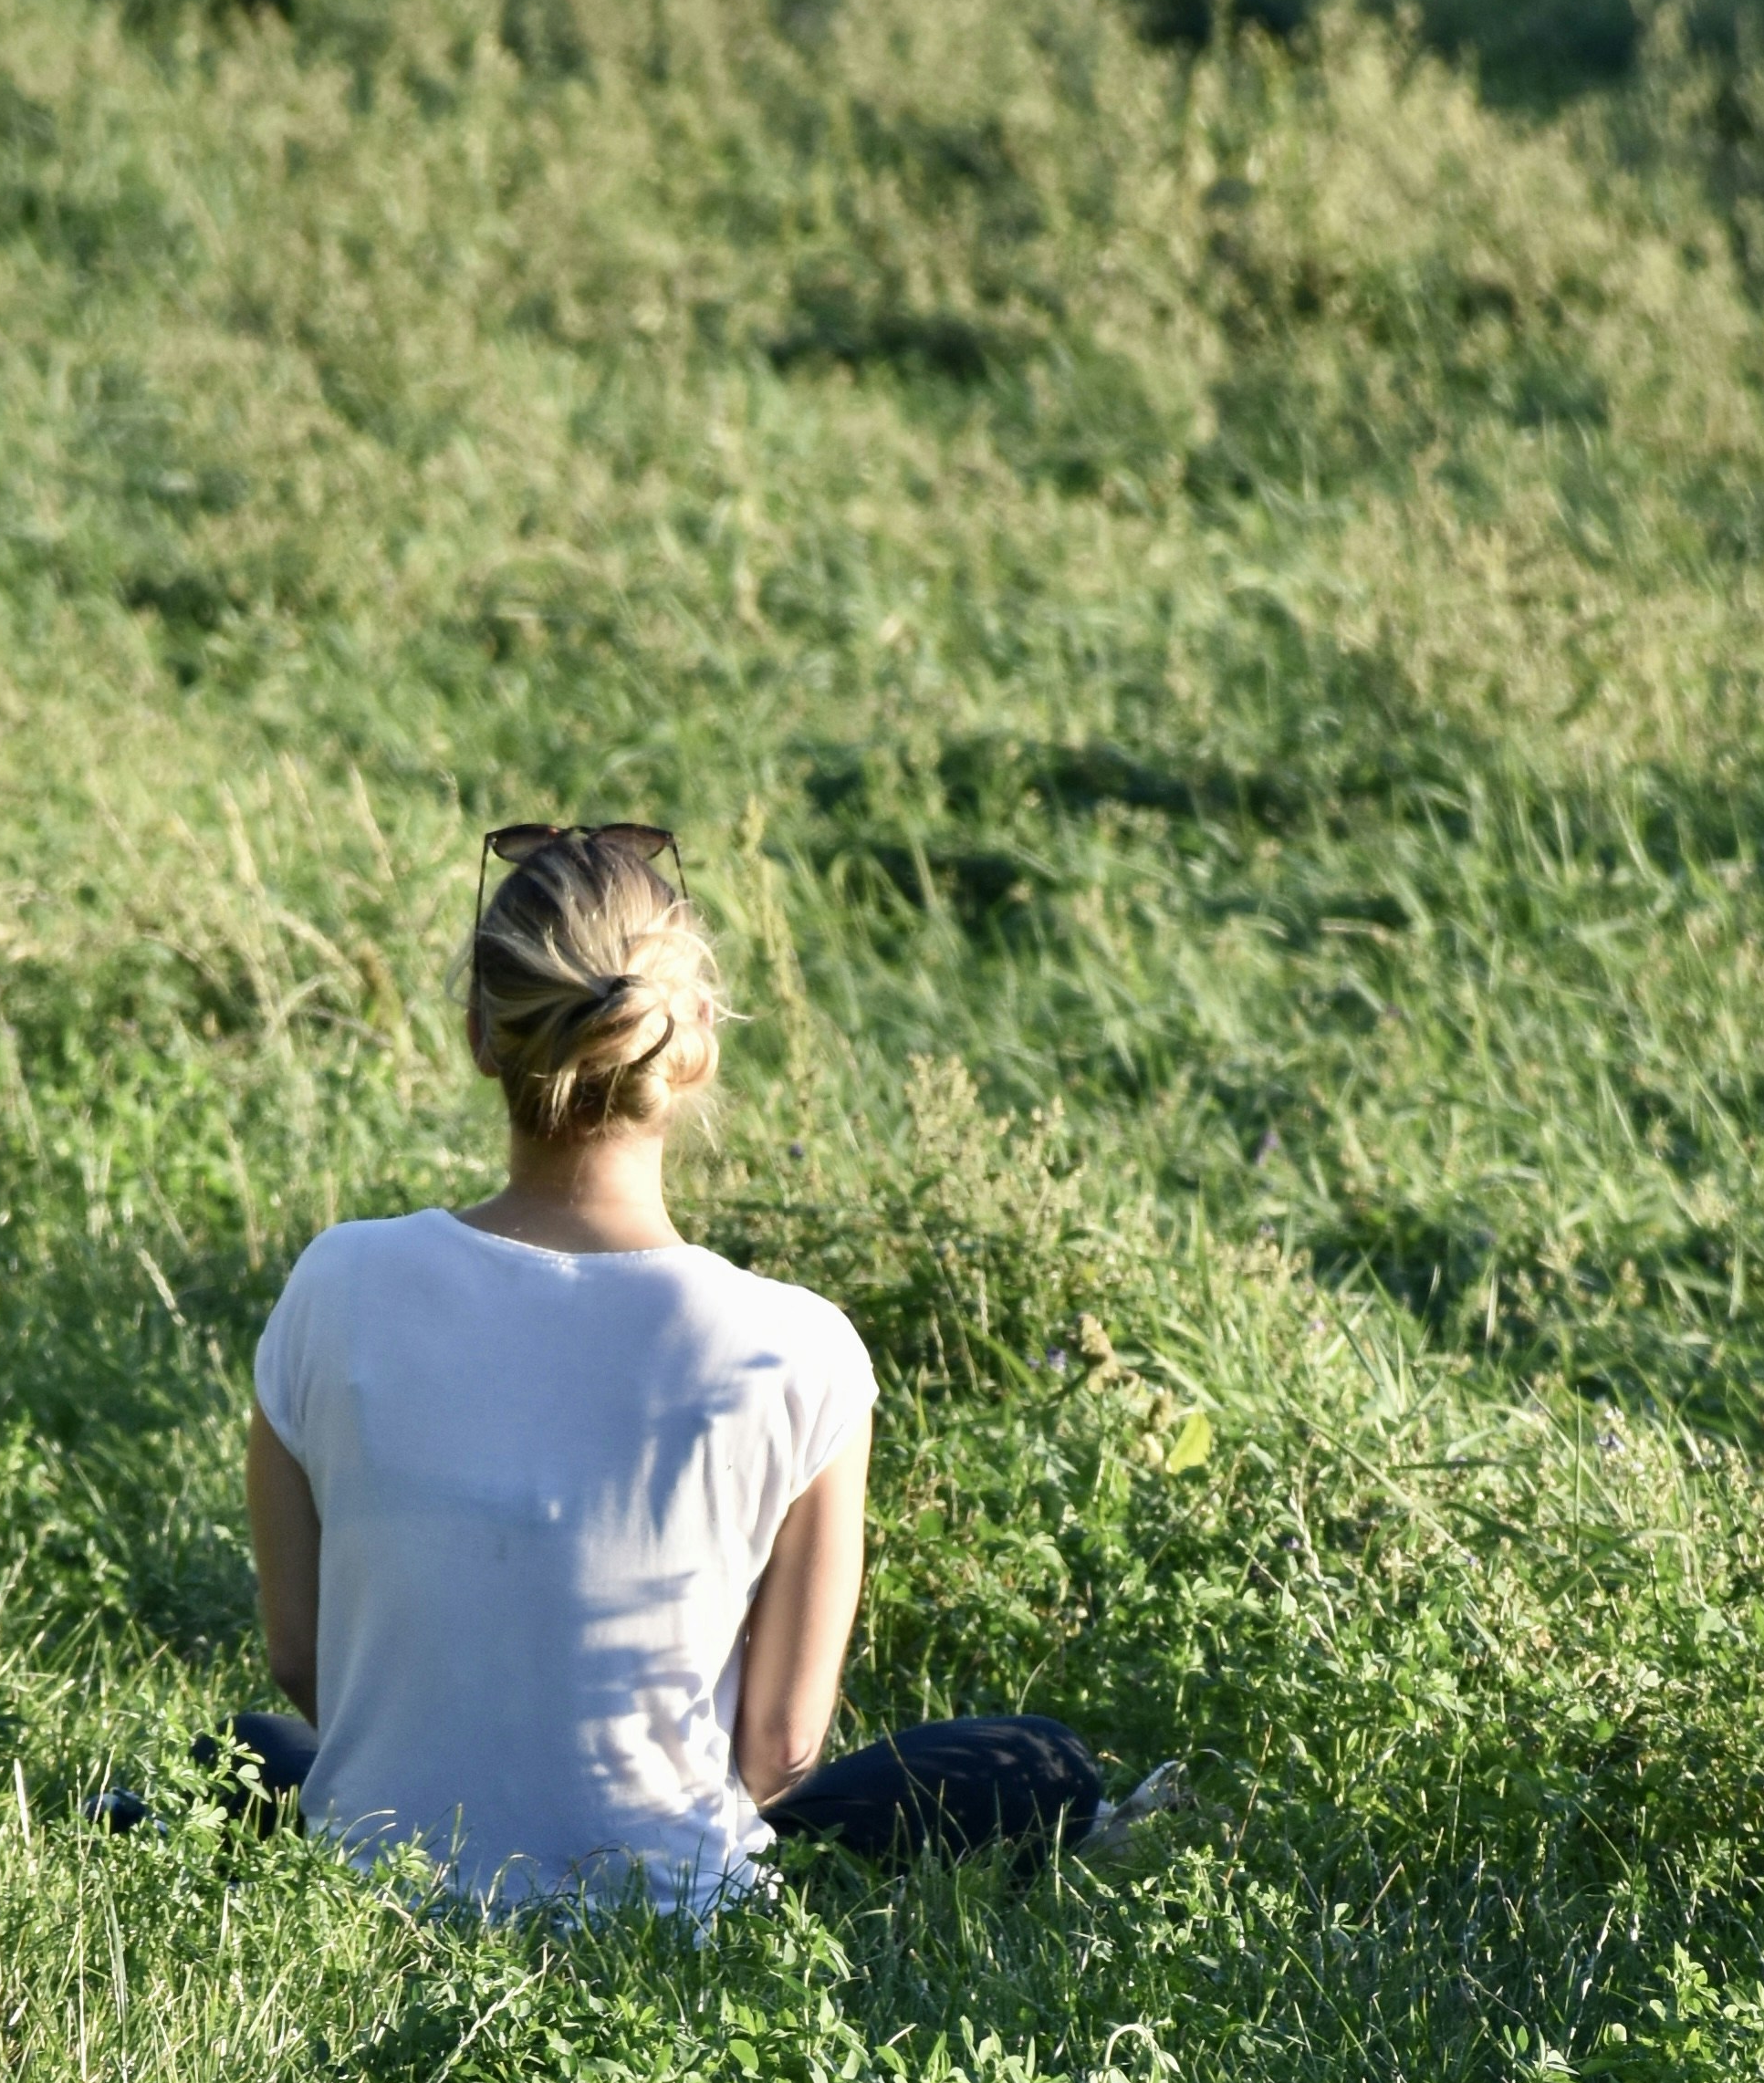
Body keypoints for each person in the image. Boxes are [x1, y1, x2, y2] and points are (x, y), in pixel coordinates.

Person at [235, 821, 1174, 1915]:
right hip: (669, 1909)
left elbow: (305, 1661)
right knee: (1035, 1764)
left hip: (374, 1876)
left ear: (483, 1036)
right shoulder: (798, 1342)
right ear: (695, 1048)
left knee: (255, 1748)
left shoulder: (339, 1280)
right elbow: (777, 1750)